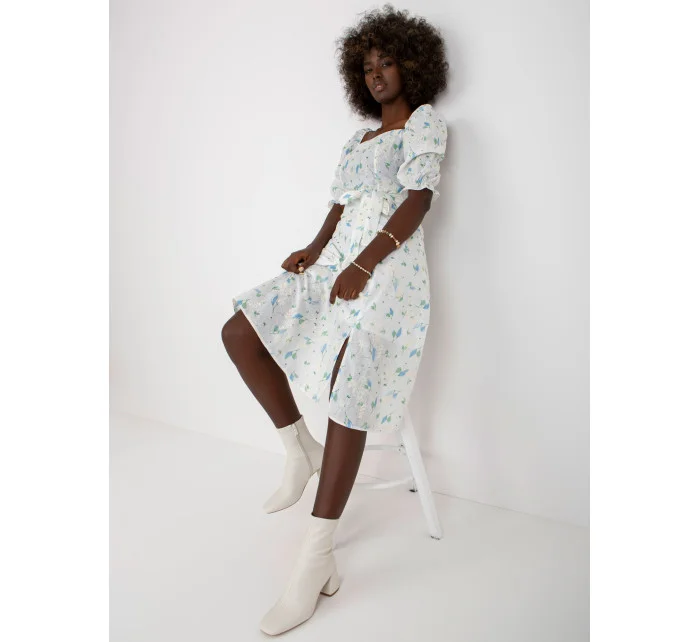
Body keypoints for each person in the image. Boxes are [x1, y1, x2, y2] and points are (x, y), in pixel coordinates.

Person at [221, 4, 449, 635]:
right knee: (240, 330)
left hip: (389, 270)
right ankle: (299, 447)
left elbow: (418, 200)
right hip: (337, 262)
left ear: (412, 65)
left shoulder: (424, 125)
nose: (376, 74)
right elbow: (340, 206)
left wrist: (366, 265)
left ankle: (316, 557)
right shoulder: (357, 141)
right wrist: (315, 250)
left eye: (387, 62)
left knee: (351, 380)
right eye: (367, 66)